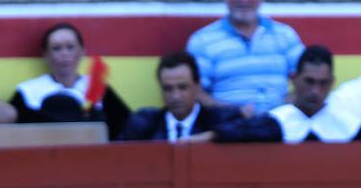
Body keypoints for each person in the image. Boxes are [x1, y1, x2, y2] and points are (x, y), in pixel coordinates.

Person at [184, 0, 304, 117]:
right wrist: (233, 112)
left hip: (279, 127)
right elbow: (195, 93)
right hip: (227, 128)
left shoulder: (285, 35)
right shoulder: (203, 41)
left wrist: (284, 108)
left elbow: (306, 82)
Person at [119, 51, 281, 143]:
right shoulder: (144, 122)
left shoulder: (219, 118)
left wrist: (211, 135)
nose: (175, 96)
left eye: (183, 87)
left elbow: (271, 127)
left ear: (197, 86)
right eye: (168, 89)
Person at [9, 22, 131, 141]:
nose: (64, 54)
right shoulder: (28, 91)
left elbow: (125, 127)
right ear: (46, 55)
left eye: (70, 47)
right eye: (56, 48)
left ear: (82, 51)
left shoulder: (98, 89)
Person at [269, 45, 361, 143]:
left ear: (332, 83)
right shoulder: (272, 124)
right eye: (309, 81)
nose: (315, 91)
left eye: (323, 83)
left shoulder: (351, 128)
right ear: (294, 79)